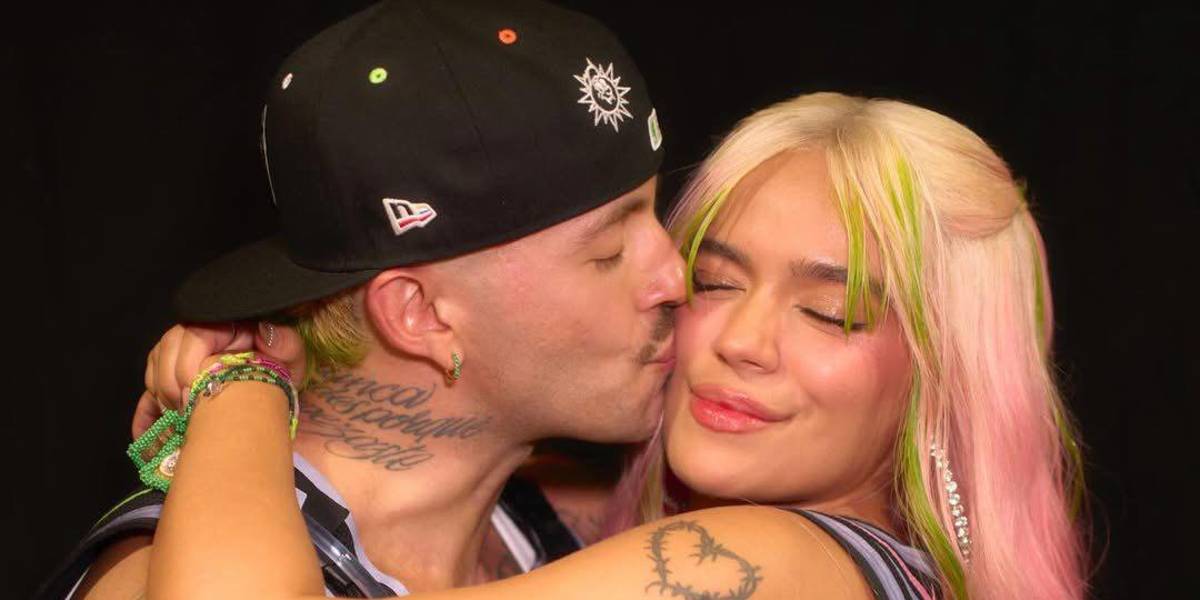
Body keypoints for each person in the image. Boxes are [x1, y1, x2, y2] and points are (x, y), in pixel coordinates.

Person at [141, 92, 1090, 599]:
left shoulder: (775, 561)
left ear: (948, 377)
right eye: (716, 281)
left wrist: (240, 384)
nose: (741, 341)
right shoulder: (577, 516)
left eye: (829, 312)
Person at [35, 1, 685, 598]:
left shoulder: (551, 523)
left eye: (655, 217)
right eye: (609, 252)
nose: (675, 278)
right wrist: (241, 383)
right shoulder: (152, 574)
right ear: (419, 314)